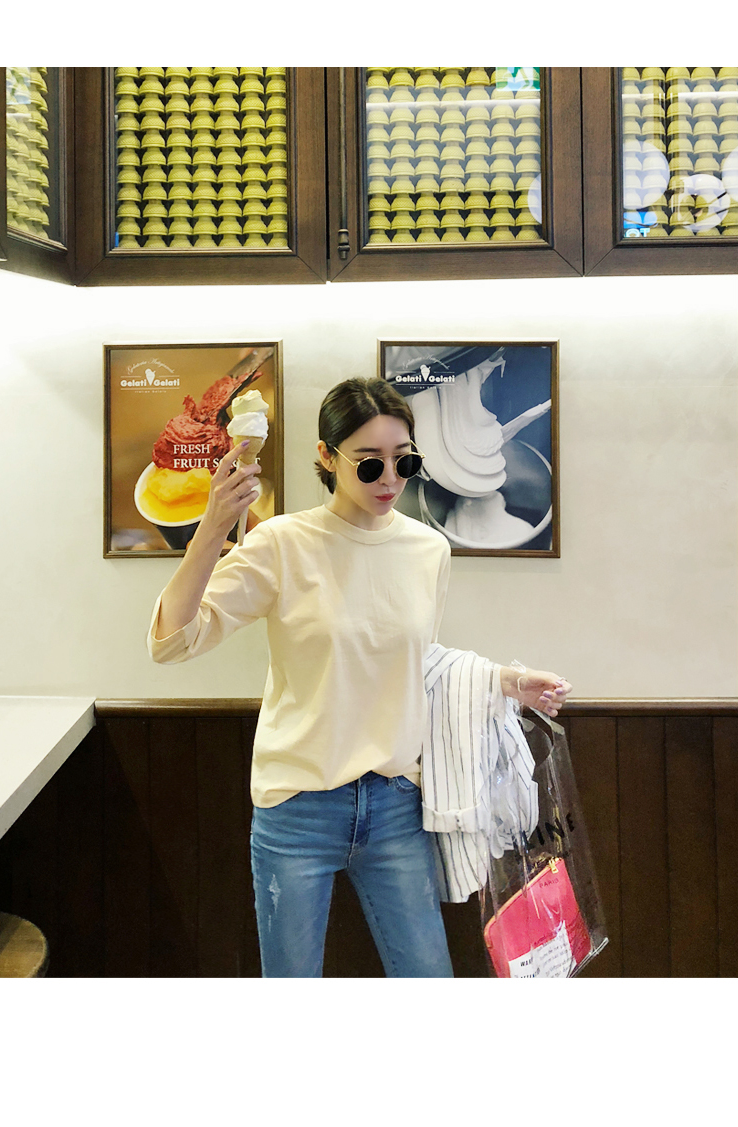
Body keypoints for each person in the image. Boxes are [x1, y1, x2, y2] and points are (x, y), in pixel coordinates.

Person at [148, 377, 571, 978]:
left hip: (397, 803)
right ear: (327, 456)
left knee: (428, 979)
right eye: (370, 463)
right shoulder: (282, 543)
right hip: (298, 806)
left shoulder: (428, 550)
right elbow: (172, 641)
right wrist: (213, 528)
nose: (391, 480)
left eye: (406, 461)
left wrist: (505, 679)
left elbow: (412, 658)